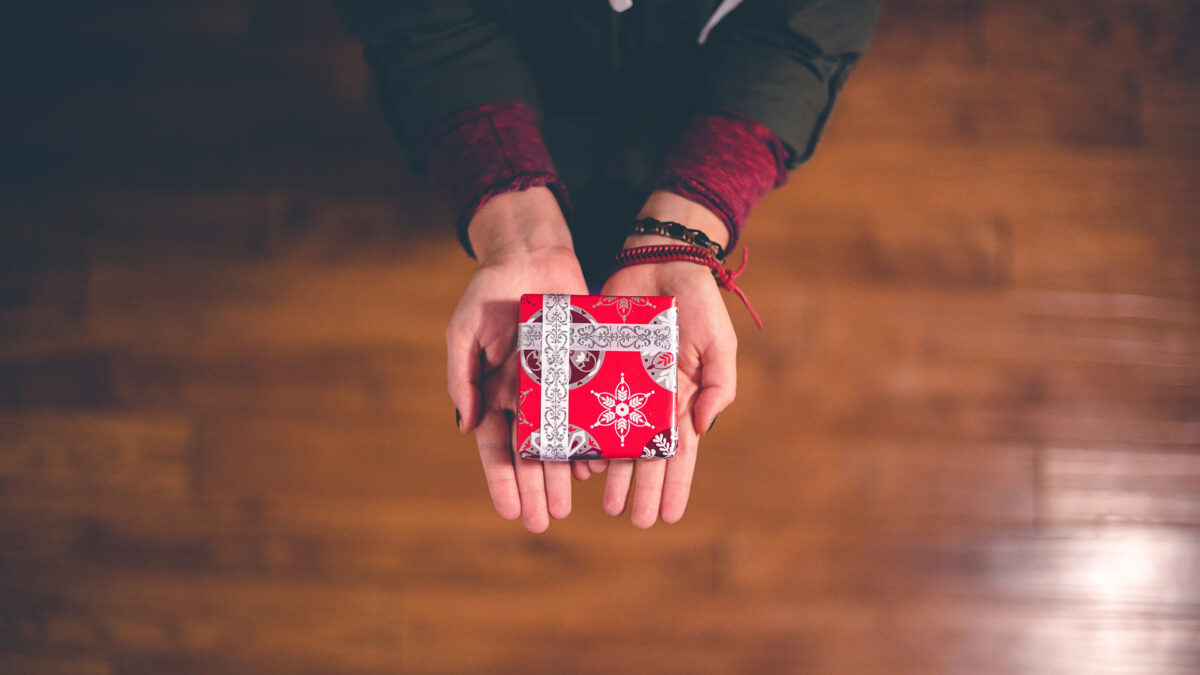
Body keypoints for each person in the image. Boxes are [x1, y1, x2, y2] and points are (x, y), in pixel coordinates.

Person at [336, 0, 881, 532]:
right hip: (499, 88)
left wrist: (695, 207)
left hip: (695, 102)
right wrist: (510, 217)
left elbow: (809, 27)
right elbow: (417, 19)